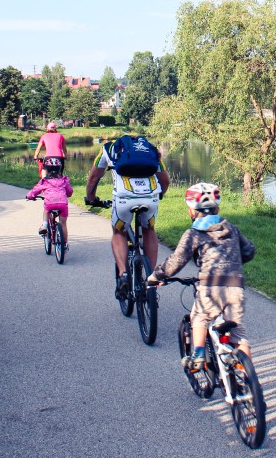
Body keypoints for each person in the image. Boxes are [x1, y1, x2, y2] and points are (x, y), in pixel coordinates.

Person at [147, 183, 255, 372]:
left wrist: (157, 276)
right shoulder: (232, 229)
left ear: (191, 210)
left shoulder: (194, 234)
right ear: (218, 208)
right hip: (236, 286)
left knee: (200, 317)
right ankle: (249, 380)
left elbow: (176, 261)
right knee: (238, 333)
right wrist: (234, 262)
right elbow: (249, 251)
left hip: (210, 286)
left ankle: (197, 356)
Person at [84, 134, 169, 295]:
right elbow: (165, 180)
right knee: (149, 231)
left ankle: (123, 274)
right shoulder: (150, 150)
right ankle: (150, 279)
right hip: (150, 198)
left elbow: (93, 178)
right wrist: (160, 195)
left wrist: (91, 198)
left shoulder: (108, 148)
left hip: (124, 199)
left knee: (119, 232)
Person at [25, 169, 74, 247]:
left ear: (47, 172)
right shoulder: (64, 180)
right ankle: (64, 244)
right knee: (63, 224)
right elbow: (70, 191)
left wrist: (29, 196)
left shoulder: (44, 181)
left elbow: (35, 191)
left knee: (46, 210)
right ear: (59, 172)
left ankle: (45, 225)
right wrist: (66, 194)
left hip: (50, 203)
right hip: (62, 203)